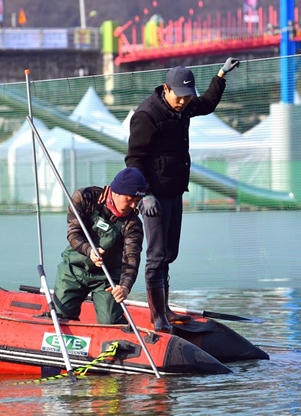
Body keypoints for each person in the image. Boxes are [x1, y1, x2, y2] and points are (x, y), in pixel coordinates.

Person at [125, 59, 240, 332]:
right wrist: (145, 195)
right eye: (180, 97)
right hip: (153, 197)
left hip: (174, 190)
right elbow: (134, 160)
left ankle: (164, 307)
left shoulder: (185, 107)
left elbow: (208, 103)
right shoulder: (147, 116)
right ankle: (158, 317)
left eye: (188, 97)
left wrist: (221, 75)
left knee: (168, 253)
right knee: (155, 255)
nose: (184, 102)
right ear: (166, 89)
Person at [53, 167, 147, 325]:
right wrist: (89, 251)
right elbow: (73, 233)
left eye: (137, 202)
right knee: (60, 318)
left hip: (107, 277)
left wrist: (124, 287)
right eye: (129, 199)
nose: (132, 206)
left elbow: (131, 259)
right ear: (116, 192)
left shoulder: (133, 224)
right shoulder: (84, 198)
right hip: (74, 269)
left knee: (111, 322)